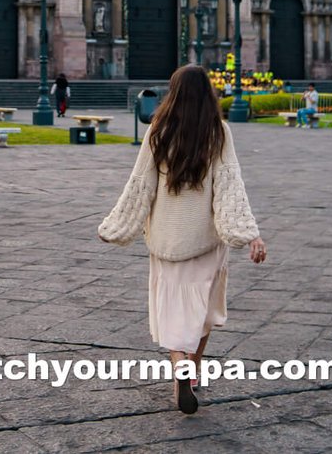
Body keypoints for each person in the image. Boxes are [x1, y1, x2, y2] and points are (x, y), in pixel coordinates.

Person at [98, 64, 265, 415]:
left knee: (172, 308)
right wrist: (249, 234)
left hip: (166, 237)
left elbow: (140, 183)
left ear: (172, 93)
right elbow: (230, 186)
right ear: (208, 93)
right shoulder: (218, 132)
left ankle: (180, 366)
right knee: (202, 308)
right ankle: (194, 368)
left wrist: (118, 224)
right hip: (205, 238)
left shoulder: (158, 131)